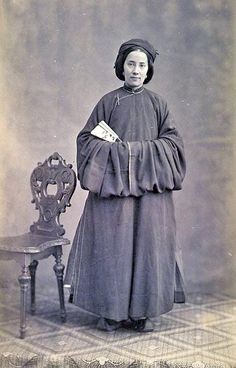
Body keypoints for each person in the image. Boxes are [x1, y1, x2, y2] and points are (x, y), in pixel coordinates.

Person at [64, 39, 186, 332]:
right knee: (112, 249)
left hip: (149, 195)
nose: (136, 70)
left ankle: (143, 313)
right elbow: (86, 141)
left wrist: (135, 152)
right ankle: (111, 312)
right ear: (122, 67)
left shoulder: (159, 104)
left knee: (147, 250)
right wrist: (120, 155)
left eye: (142, 65)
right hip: (113, 194)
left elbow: (173, 145)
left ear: (148, 70)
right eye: (131, 63)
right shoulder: (108, 102)